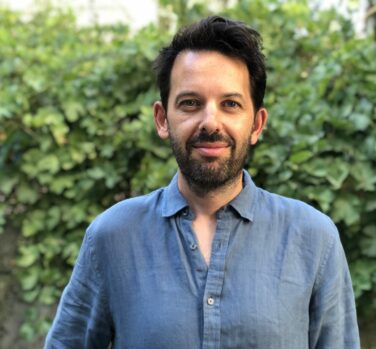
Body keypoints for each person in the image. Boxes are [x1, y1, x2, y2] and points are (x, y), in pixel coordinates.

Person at [44, 16, 360, 348]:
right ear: (162, 119)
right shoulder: (111, 238)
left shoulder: (314, 240)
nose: (210, 122)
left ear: (256, 124)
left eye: (231, 104)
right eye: (190, 103)